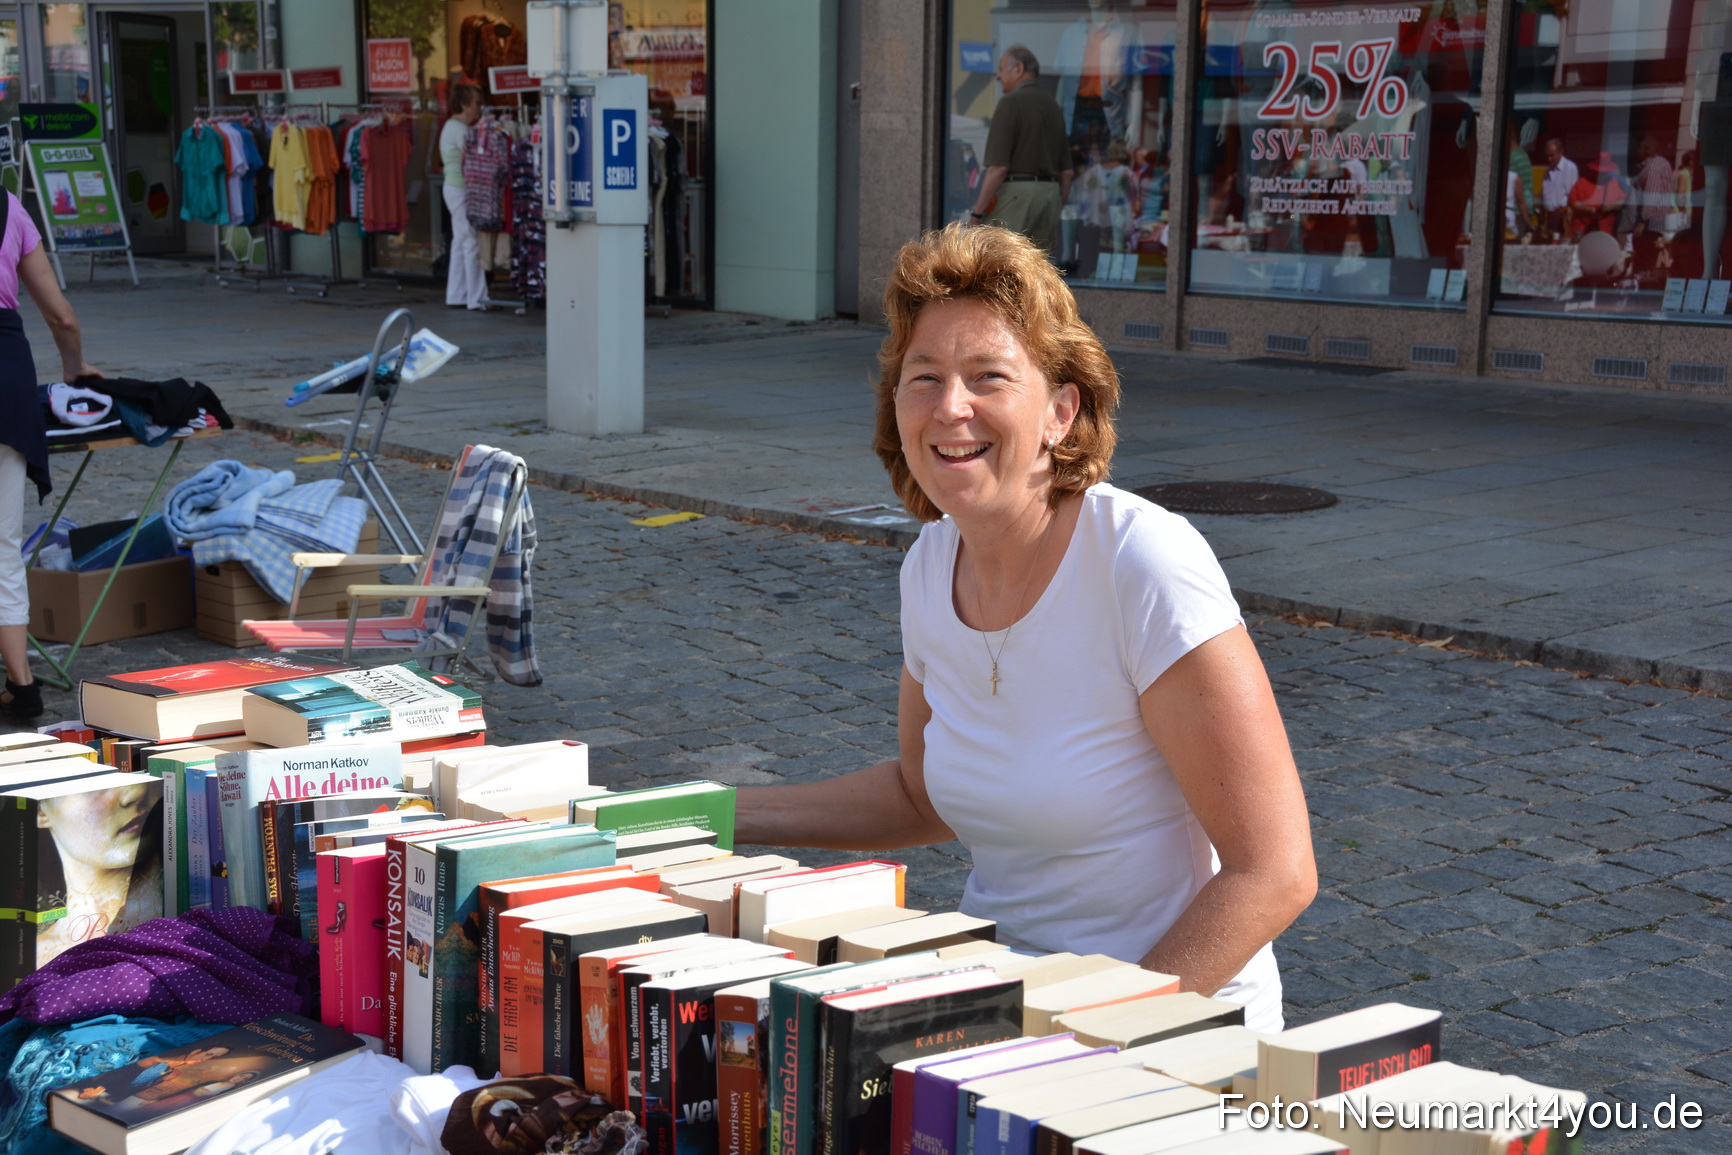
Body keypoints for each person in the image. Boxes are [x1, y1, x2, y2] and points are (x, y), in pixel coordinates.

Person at [735, 225, 1316, 1031]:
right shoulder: (930, 568)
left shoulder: (1141, 561)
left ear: (1060, 412)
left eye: (988, 377)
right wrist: (711, 813)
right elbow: (920, 793)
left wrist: (1097, 1040)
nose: (950, 407)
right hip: (1004, 1006)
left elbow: (1274, 872)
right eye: (924, 377)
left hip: (1171, 1030)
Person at [0, 185, 100, 722]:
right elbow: (61, 316)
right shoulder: (8, 207)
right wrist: (73, 369)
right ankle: (23, 685)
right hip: (5, 377)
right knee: (2, 544)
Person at [968, 46, 1073, 254]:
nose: (998, 77)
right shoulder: (1053, 106)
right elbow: (1068, 173)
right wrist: (1055, 215)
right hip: (1050, 195)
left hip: (1017, 195)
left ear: (1019, 69)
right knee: (1035, 273)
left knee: (999, 266)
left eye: (1001, 69)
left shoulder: (1010, 103)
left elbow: (997, 168)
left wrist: (976, 215)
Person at [442, 83, 488, 311]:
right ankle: (476, 298)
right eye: (477, 103)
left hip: (453, 187)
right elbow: (474, 159)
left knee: (460, 242)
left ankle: (457, 294)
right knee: (470, 242)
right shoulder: (460, 130)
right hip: (461, 188)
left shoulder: (452, 127)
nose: (479, 108)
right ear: (464, 104)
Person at [1569, 151, 1628, 238]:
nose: (1601, 174)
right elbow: (1572, 203)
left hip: (1606, 230)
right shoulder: (1582, 182)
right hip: (1582, 229)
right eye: (1598, 171)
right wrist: (1591, 210)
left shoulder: (1614, 182)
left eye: (1604, 172)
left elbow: (1624, 200)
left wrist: (1611, 206)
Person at [1540, 137, 1578, 237]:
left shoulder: (1569, 168)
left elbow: (1572, 194)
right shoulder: (1548, 171)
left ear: (1560, 152)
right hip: (1549, 216)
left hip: (1562, 216)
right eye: (1547, 156)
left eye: (1552, 156)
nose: (1549, 159)